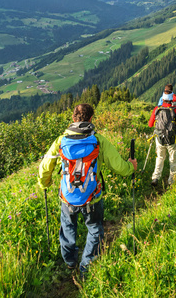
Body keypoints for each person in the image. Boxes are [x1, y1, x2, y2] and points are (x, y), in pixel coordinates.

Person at [37, 103, 137, 280]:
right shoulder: (99, 141)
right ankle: (86, 265)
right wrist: (131, 167)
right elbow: (118, 167)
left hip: (67, 198)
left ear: (73, 118)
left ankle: (70, 262)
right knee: (94, 230)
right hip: (92, 198)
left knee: (68, 229)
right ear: (91, 118)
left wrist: (45, 184)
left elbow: (45, 167)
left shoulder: (60, 141)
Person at [149, 91, 176, 186]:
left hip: (160, 138)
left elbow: (149, 124)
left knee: (160, 157)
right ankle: (171, 181)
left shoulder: (157, 109)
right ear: (171, 100)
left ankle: (155, 177)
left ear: (162, 99)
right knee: (173, 159)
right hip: (172, 139)